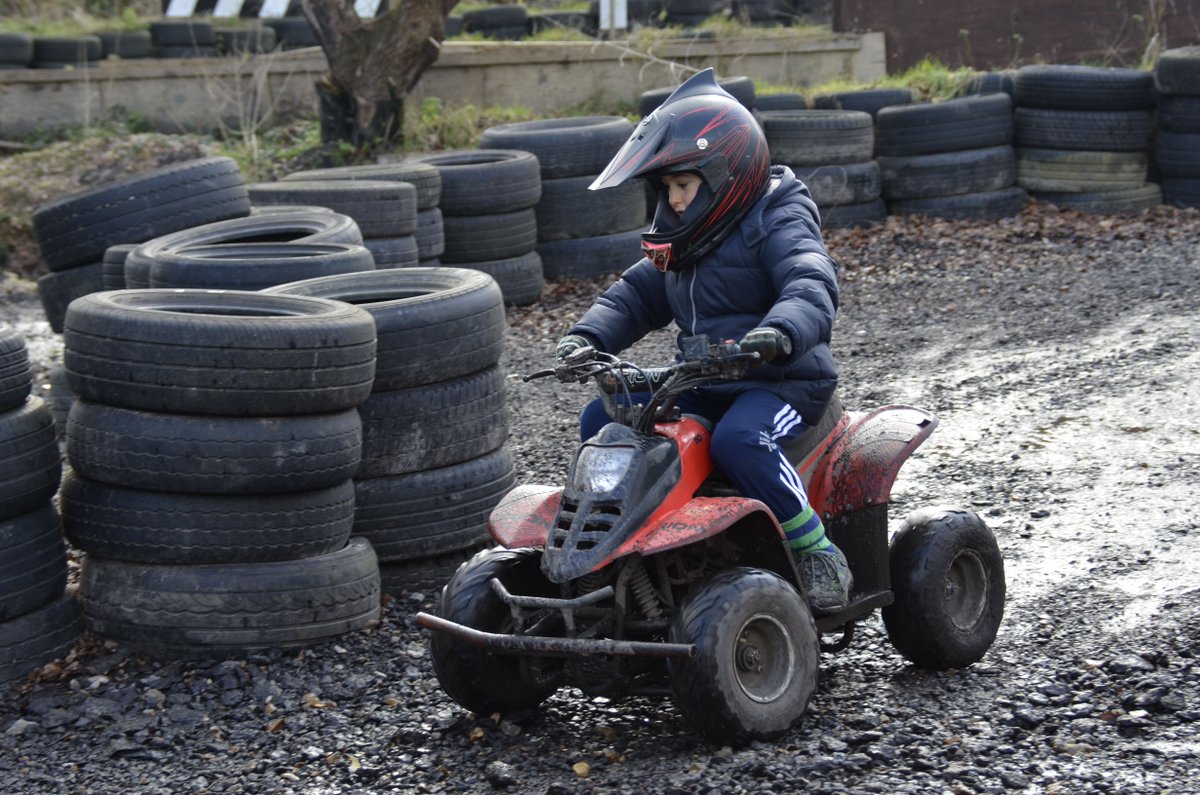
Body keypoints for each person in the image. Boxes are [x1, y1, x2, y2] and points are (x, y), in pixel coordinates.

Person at [554, 68, 852, 615]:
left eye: (683, 186)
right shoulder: (685, 236)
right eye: (667, 189)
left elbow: (809, 280)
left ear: (724, 174)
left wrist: (779, 332)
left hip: (781, 380)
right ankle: (608, 547)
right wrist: (586, 337)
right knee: (603, 421)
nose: (676, 200)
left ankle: (812, 546)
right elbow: (636, 295)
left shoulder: (779, 218)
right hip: (706, 378)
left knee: (740, 441)